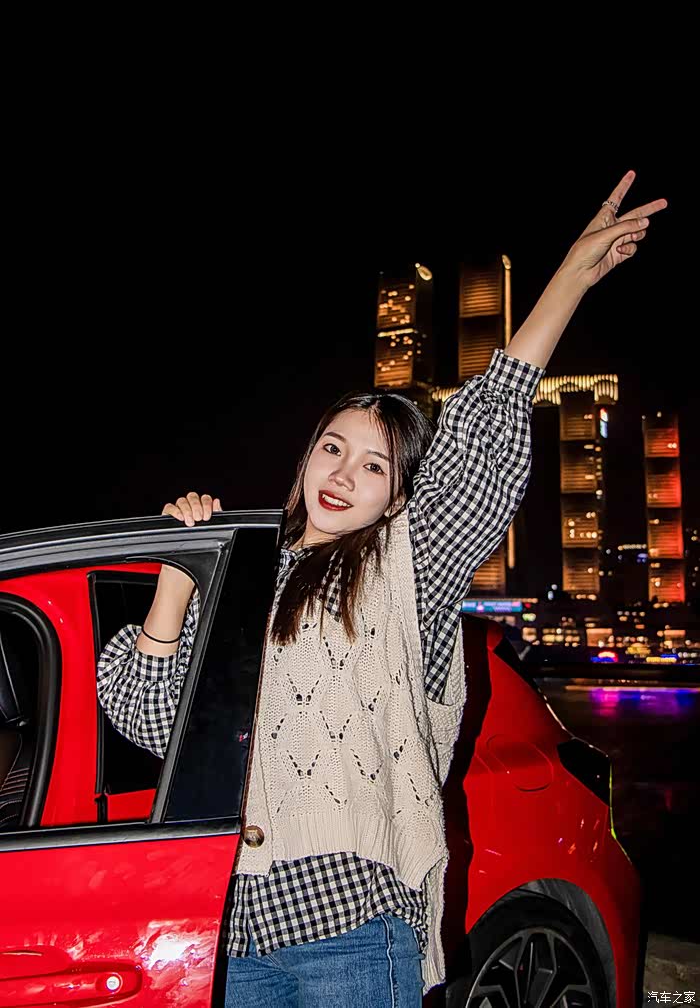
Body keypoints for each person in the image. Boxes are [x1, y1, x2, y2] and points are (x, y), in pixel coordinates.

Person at [97, 172, 666, 1008]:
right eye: (333, 448)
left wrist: (570, 279)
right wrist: (182, 577)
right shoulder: (244, 573)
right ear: (306, 455)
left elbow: (483, 439)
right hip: (232, 936)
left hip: (354, 933)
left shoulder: (404, 570)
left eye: (374, 467)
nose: (343, 474)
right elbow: (147, 722)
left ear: (399, 499)